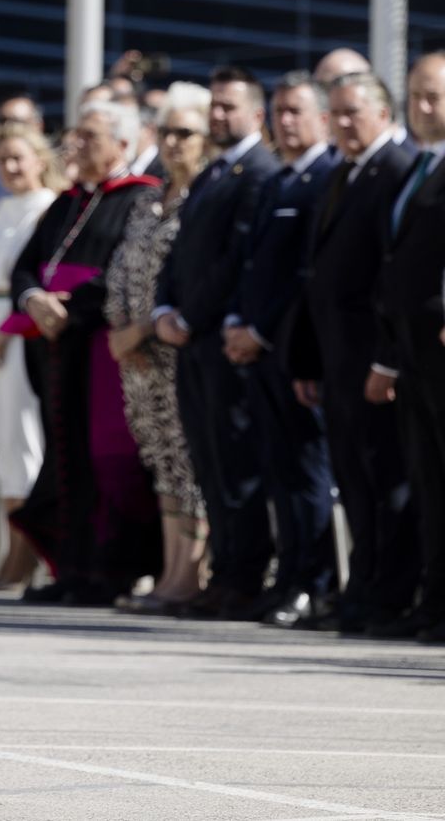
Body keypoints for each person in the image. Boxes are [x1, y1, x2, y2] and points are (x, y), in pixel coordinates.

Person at [10, 100, 161, 605]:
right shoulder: (65, 201)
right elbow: (26, 264)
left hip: (99, 343)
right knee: (64, 453)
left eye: (90, 137)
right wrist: (34, 299)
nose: (76, 144)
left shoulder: (141, 199)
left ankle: (107, 571)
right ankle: (70, 568)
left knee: (104, 458)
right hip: (56, 347)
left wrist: (69, 308)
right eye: (76, 135)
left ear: (122, 145)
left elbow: (128, 271)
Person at [288, 72, 415, 634]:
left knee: (386, 479)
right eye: (335, 113)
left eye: (352, 113)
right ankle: (360, 588)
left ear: (384, 114)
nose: (342, 124)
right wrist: (309, 360)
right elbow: (319, 277)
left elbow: (393, 277)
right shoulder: (346, 171)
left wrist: (385, 359)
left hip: (373, 361)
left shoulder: (397, 170)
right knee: (354, 481)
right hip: (337, 360)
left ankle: (387, 594)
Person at [151, 66, 279, 619]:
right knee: (209, 463)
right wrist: (162, 308)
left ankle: (243, 577)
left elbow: (236, 260)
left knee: (235, 462)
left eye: (230, 107)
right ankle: (223, 571)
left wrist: (190, 313)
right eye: (215, 107)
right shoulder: (211, 174)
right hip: (190, 339)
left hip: (220, 337)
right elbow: (180, 255)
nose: (219, 116)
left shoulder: (259, 172)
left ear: (256, 112)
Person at [225, 71, 342, 628]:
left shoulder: (324, 177)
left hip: (294, 347)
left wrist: (263, 332)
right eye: (278, 110)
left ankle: (314, 584)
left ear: (322, 118)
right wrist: (235, 322)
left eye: (296, 111)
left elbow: (303, 275)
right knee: (277, 469)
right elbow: (251, 263)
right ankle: (289, 575)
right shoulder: (278, 180)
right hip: (257, 349)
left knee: (306, 473)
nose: (284, 121)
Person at [104, 86, 211, 613]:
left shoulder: (203, 199)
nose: (173, 143)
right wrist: (122, 328)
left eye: (185, 133)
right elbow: (121, 270)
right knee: (162, 461)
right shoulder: (150, 200)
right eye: (166, 132)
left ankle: (189, 576)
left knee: (190, 463)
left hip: (176, 350)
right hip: (140, 358)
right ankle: (170, 572)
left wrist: (144, 329)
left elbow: (195, 278)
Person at [368, 53, 445, 641]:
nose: (423, 108)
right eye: (416, 95)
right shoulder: (417, 168)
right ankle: (433, 600)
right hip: (415, 354)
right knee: (429, 480)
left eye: (435, 96)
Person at [0, 122, 60, 586]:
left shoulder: (46, 207)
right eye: (2, 158)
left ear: (39, 160)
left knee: (26, 440)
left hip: (21, 332)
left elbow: (37, 279)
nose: (9, 168)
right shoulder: (2, 206)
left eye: (18, 158)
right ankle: (14, 546)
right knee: (4, 442)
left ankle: (31, 552)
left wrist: (5, 333)